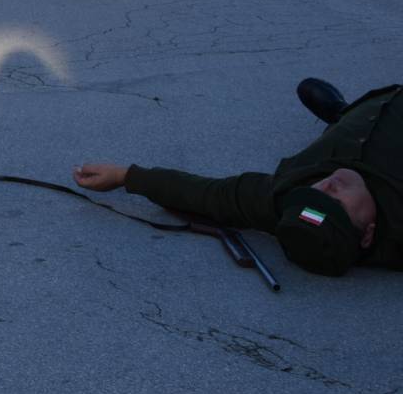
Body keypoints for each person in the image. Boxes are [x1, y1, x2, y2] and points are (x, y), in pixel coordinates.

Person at [72, 79, 402, 276]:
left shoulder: (281, 201)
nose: (327, 185)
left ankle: (341, 114)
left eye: (318, 195)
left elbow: (204, 194)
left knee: (338, 118)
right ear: (368, 233)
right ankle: (342, 114)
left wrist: (125, 176)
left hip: (362, 119)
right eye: (334, 201)